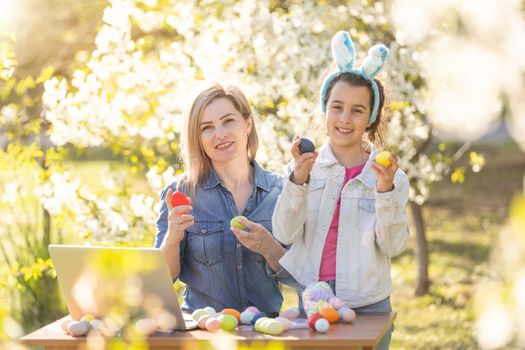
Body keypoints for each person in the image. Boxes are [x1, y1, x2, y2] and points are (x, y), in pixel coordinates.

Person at [272, 31, 410, 349]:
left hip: (368, 303)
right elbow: (283, 232)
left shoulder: (390, 177)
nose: (344, 119)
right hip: (315, 297)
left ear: (370, 118)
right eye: (337, 107)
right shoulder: (305, 167)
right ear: (325, 109)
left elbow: (394, 246)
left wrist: (385, 190)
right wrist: (298, 182)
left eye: (357, 110)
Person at [155, 84, 290, 317]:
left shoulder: (280, 191)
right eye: (207, 128)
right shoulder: (181, 193)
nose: (220, 134)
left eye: (228, 121)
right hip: (206, 333)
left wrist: (270, 248)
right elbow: (163, 280)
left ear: (247, 124)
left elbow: (300, 277)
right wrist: (172, 238)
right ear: (197, 138)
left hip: (266, 333)